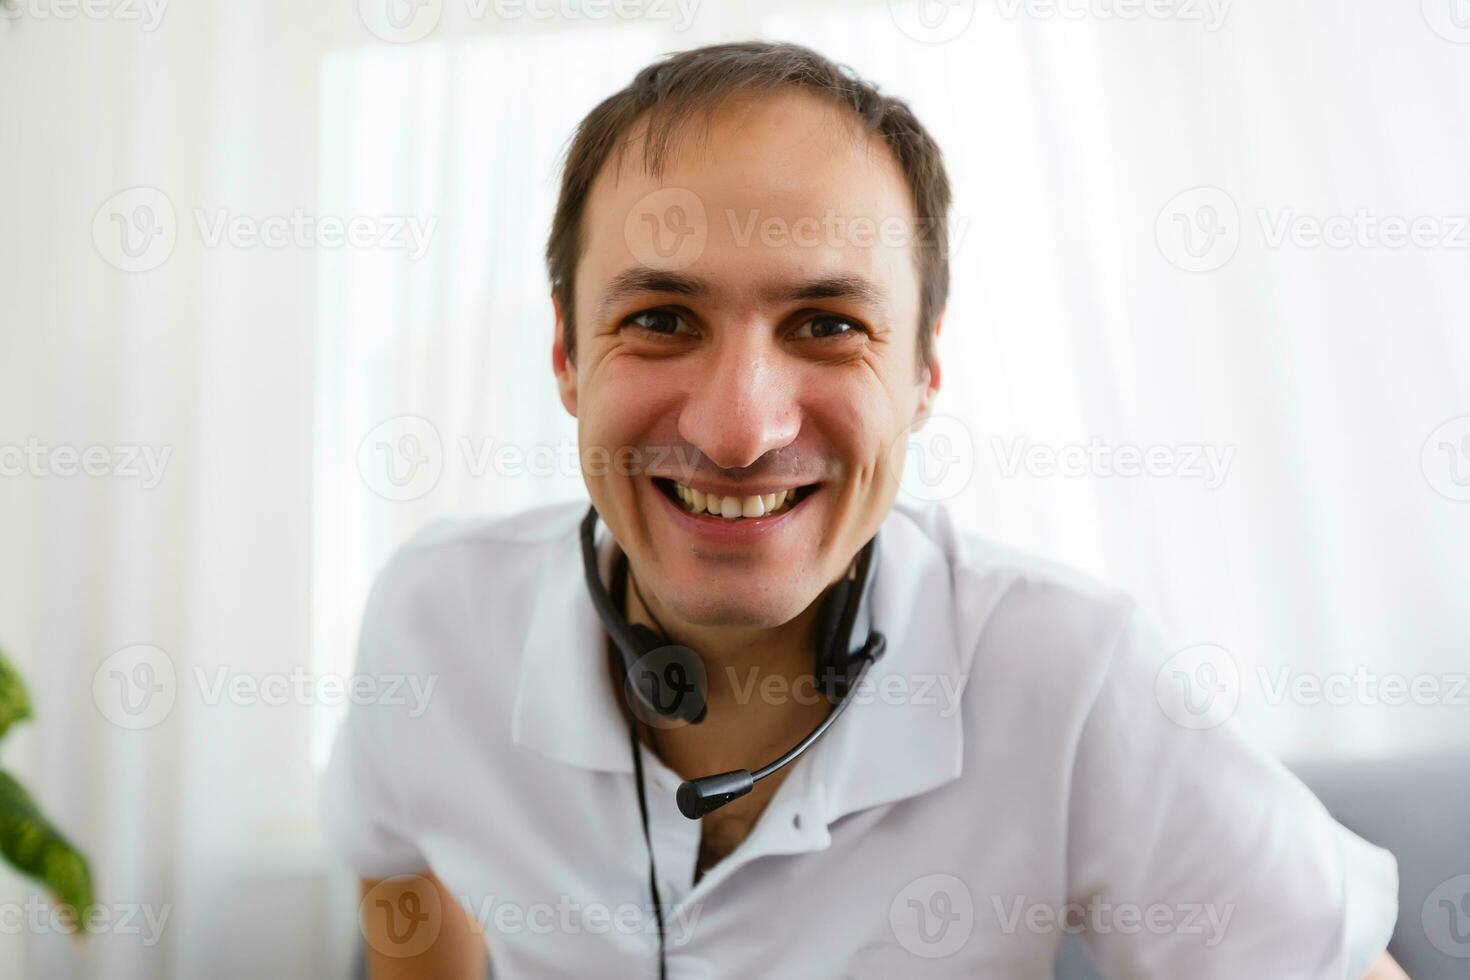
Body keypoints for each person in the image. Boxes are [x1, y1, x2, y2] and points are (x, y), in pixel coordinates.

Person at [322, 41, 1406, 979]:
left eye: (828, 324)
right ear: (566, 354)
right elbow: (397, 865)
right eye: (660, 316)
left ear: (924, 374)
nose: (738, 430)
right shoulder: (431, 618)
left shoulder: (1072, 670)